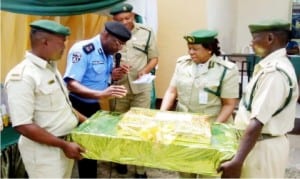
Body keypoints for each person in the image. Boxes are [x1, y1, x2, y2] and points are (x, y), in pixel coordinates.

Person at [4, 19, 86, 178]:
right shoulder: (23, 76)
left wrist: (88, 122)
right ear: (45, 42)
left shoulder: (51, 68)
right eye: (62, 42)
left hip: (64, 144)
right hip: (44, 152)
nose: (64, 46)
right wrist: (64, 145)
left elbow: (64, 107)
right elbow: (23, 125)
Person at [217, 19, 299, 178]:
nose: (251, 42)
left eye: (254, 37)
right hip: (258, 144)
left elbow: (257, 122)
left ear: (269, 38)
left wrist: (237, 161)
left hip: (263, 148)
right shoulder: (271, 66)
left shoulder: (273, 73)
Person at [160, 29, 239, 177]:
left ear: (209, 49)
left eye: (195, 49)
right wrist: (162, 113)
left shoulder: (226, 70)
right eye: (189, 48)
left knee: (208, 171)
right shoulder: (182, 64)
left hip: (211, 129)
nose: (191, 52)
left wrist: (214, 128)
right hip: (184, 128)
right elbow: (172, 91)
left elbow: (229, 104)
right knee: (184, 170)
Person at [63, 21, 131, 178]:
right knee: (84, 148)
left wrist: (114, 74)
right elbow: (72, 84)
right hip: (77, 105)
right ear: (105, 35)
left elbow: (99, 76)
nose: (119, 48)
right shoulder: (83, 51)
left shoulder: (107, 52)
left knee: (91, 147)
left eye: (122, 45)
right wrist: (101, 94)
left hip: (93, 105)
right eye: (117, 43)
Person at [109, 3, 159, 178]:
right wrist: (112, 73)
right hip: (119, 88)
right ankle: (120, 160)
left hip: (141, 88)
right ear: (113, 20)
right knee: (119, 127)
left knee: (141, 128)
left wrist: (145, 70)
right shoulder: (109, 34)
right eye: (120, 20)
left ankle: (140, 168)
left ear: (133, 16)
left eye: (128, 18)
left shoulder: (146, 32)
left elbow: (154, 58)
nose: (125, 22)